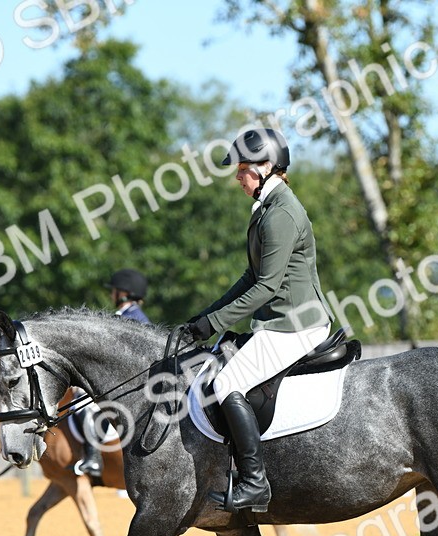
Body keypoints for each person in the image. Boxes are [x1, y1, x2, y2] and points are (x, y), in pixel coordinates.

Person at [183, 128, 334, 513]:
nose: (237, 177)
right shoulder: (268, 208)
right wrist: (207, 316)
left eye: (243, 169)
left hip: (295, 323)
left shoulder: (281, 213)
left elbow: (266, 287)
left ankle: (255, 482)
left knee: (227, 380)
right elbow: (250, 278)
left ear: (266, 167)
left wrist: (214, 323)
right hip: (281, 319)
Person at [73, 269, 154, 477]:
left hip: (126, 384)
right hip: (124, 381)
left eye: (114, 291)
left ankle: (93, 458)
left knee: (86, 407)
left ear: (123, 293)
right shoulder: (132, 317)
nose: (111, 295)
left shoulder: (129, 320)